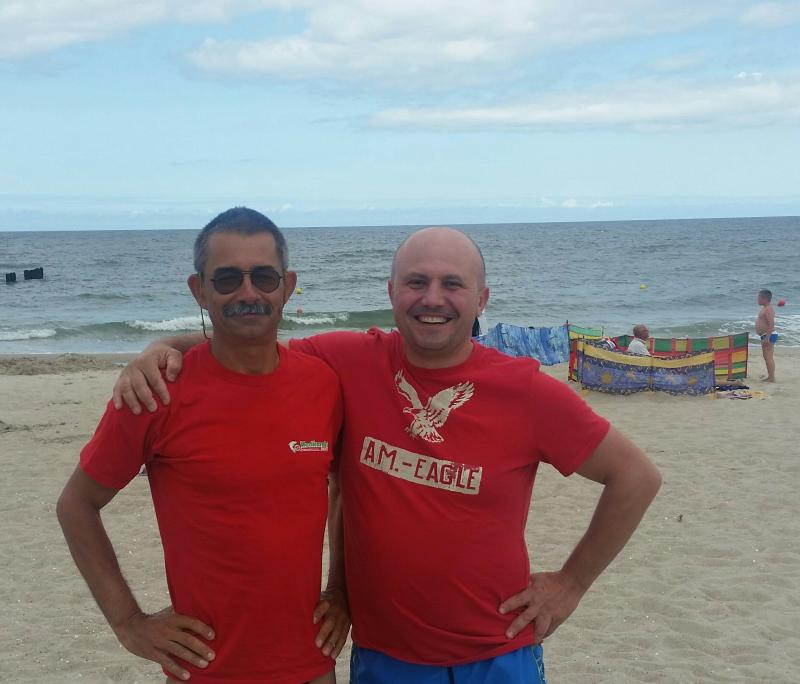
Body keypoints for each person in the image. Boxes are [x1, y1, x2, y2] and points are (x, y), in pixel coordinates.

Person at [113, 227, 662, 683]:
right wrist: (160, 349)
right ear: (392, 291)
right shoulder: (349, 361)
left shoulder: (525, 391)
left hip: (498, 652)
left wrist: (570, 583)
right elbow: (248, 343)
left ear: (481, 299)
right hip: (385, 657)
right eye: (416, 282)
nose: (432, 298)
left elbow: (635, 477)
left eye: (453, 284)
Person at [57, 208, 349, 683]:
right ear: (200, 290)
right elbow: (76, 505)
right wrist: (128, 623)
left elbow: (344, 489)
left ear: (288, 286)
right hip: (205, 668)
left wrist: (340, 591)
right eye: (228, 279)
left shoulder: (324, 384)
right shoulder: (156, 390)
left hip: (311, 663)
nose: (248, 293)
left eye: (264, 277)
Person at [756, 289, 777, 381]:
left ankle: (771, 378)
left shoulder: (768, 309)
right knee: (767, 357)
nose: (757, 299)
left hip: (769, 335)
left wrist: (767, 338)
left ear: (764, 298)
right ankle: (770, 377)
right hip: (766, 335)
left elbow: (771, 324)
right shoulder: (766, 308)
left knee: (768, 357)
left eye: (759, 297)